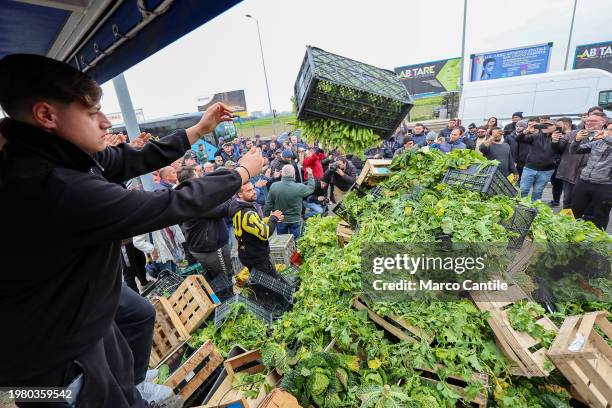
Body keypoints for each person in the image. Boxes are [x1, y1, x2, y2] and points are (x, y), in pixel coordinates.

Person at [0, 53, 262, 407]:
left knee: (138, 316)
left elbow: (128, 159)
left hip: (87, 312)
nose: (107, 122)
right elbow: (166, 206)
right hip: (54, 359)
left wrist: (198, 130)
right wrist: (240, 174)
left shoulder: (62, 154)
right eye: (92, 113)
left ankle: (133, 386)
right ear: (46, 115)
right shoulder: (53, 186)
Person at [178, 170, 233, 279]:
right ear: (194, 180)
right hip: (211, 249)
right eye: (199, 175)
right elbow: (225, 208)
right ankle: (226, 295)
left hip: (203, 247)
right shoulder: (195, 200)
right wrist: (227, 191)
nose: (202, 178)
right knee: (224, 278)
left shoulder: (185, 195)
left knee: (216, 278)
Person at [231, 181, 283, 275]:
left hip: (247, 253)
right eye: (249, 191)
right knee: (269, 283)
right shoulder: (247, 213)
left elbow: (252, 224)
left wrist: (270, 219)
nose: (254, 192)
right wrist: (274, 219)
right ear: (240, 194)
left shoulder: (237, 206)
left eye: (253, 188)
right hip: (255, 256)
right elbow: (265, 233)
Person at [569, 120, 612, 230]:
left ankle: (597, 240)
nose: (608, 132)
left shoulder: (604, 139)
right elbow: (575, 150)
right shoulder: (598, 142)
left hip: (605, 185)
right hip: (584, 181)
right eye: (608, 129)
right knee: (575, 209)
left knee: (601, 214)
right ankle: (570, 232)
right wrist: (577, 140)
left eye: (611, 130)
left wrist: (605, 137)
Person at [554, 115, 602, 210]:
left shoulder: (606, 137)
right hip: (569, 173)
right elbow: (558, 149)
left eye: (594, 121)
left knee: (588, 203)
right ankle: (567, 221)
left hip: (592, 176)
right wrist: (554, 141)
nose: (589, 123)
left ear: (602, 122)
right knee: (567, 201)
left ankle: (583, 222)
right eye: (587, 121)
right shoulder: (572, 134)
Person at [265, 166, 315, 240]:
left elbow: (268, 204)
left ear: (282, 173)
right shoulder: (299, 187)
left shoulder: (274, 186)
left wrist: (268, 217)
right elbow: (311, 188)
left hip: (280, 219)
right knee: (296, 241)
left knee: (281, 241)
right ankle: (294, 251)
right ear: (293, 174)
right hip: (295, 219)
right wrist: (310, 175)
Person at [516, 119, 560, 201]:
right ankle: (520, 208)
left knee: (537, 192)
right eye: (544, 125)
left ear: (555, 127)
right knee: (523, 190)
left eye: (549, 125)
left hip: (547, 170)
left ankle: (533, 210)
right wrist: (526, 130)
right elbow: (518, 139)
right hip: (529, 168)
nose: (546, 126)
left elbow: (561, 149)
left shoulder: (559, 137)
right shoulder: (536, 136)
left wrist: (555, 141)